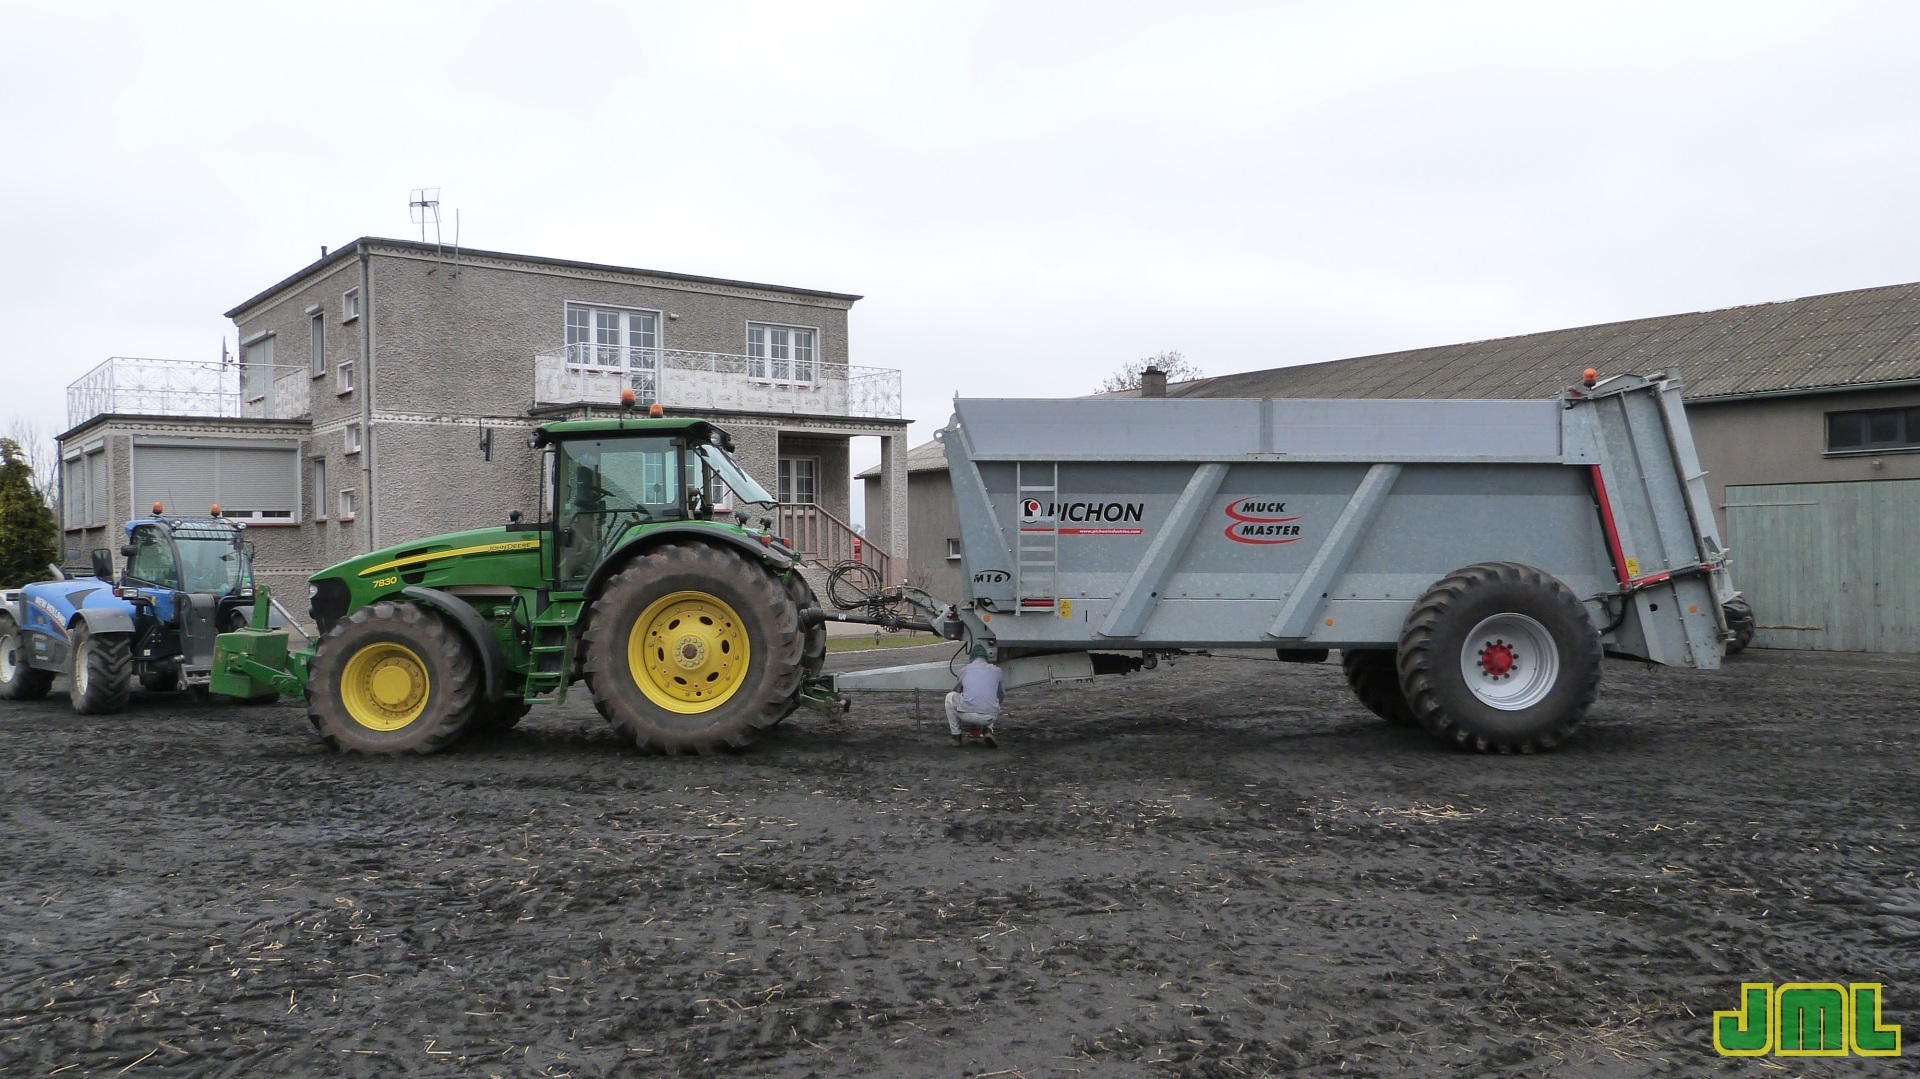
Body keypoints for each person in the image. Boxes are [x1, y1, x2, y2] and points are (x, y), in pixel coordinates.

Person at [944, 644, 1004, 748]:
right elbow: (1001, 695)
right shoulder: (997, 671)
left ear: (971, 658)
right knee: (992, 699)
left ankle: (956, 736)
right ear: (986, 657)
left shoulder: (965, 670)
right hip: (989, 717)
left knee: (949, 697)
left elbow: (958, 690)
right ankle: (988, 730)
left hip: (967, 714)